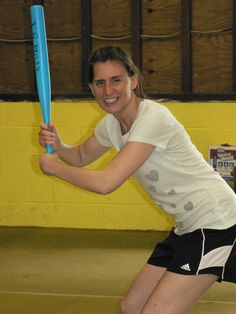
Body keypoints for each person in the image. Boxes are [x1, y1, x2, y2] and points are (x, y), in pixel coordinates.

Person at [38, 45, 236, 314]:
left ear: (133, 80)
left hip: (216, 223)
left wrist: (55, 169)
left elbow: (106, 183)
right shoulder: (110, 125)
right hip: (187, 228)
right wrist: (59, 147)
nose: (108, 91)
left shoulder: (152, 118)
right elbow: (81, 156)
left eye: (116, 80)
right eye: (100, 83)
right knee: (132, 307)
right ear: (92, 88)